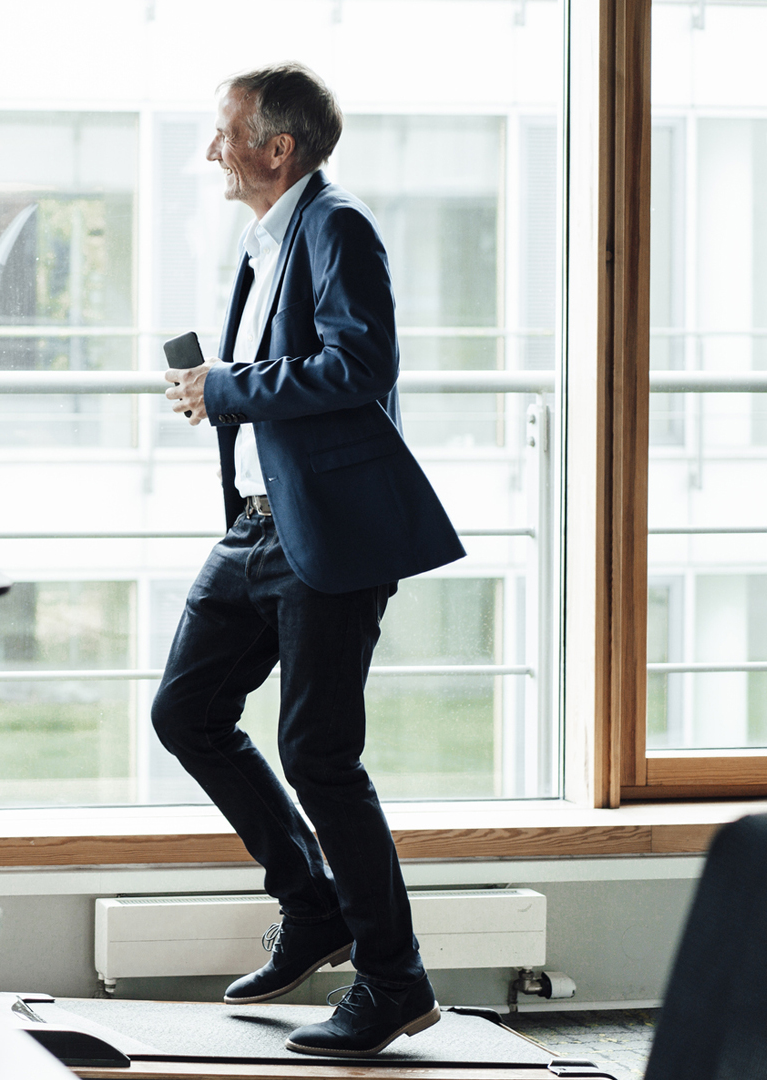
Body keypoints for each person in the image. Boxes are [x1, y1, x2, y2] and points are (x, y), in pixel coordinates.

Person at [157, 63, 465, 1058]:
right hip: (257, 524)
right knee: (186, 713)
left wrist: (228, 386)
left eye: (225, 132)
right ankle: (313, 904)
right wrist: (220, 390)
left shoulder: (334, 227)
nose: (214, 149)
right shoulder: (266, 239)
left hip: (325, 532)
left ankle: (394, 982)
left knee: (320, 758)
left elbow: (359, 365)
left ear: (277, 148)